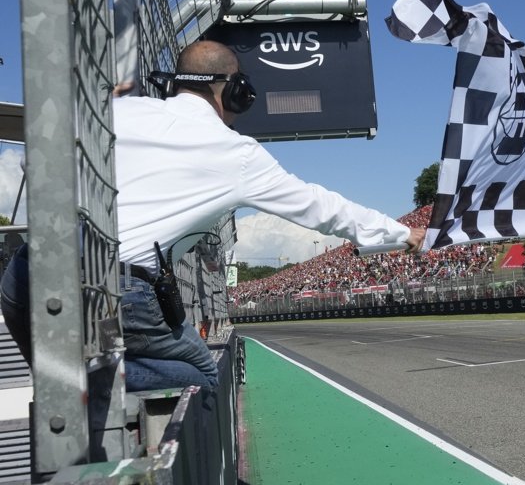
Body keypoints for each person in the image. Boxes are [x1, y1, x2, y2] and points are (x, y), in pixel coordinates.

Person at [1, 40, 425, 391]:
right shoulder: (234, 152)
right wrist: (402, 233)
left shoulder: (116, 112)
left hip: (31, 269)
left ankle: (76, 389)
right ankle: (88, 382)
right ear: (235, 90)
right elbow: (319, 206)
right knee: (203, 376)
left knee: (74, 394)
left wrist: (90, 112)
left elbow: (34, 165)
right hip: (119, 288)